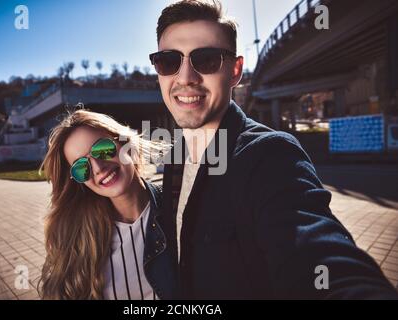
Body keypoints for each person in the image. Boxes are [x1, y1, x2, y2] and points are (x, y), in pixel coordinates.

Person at [150, 0, 398, 299]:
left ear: (236, 71)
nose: (186, 77)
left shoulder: (270, 156)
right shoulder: (176, 155)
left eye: (206, 59)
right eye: (168, 61)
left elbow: (318, 255)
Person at [38, 109, 176, 299]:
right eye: (81, 167)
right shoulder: (75, 238)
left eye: (102, 149)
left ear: (125, 142)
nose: (98, 168)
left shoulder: (179, 207)